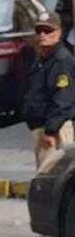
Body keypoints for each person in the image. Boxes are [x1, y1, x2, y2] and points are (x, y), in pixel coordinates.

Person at [23, 12, 75, 170]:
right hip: (41, 127)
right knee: (46, 176)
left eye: (48, 30)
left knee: (53, 179)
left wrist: (51, 130)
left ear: (59, 32)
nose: (42, 35)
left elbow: (63, 98)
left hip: (54, 131)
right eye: (39, 31)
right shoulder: (42, 59)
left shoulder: (62, 61)